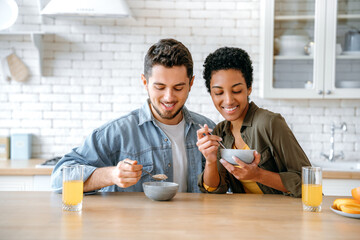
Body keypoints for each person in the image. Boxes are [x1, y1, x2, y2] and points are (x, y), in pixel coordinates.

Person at [51, 38, 215, 193]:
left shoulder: (208, 129)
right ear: (145, 82)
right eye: (160, 87)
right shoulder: (119, 132)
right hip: (135, 224)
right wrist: (112, 175)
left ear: (191, 84)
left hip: (191, 223)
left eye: (178, 88)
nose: (169, 97)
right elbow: (59, 178)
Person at [196, 47, 311, 198]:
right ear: (211, 93)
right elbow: (214, 190)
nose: (229, 100)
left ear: (249, 88)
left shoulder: (269, 123)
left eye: (236, 91)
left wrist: (258, 175)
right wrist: (210, 160)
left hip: (281, 217)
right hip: (245, 217)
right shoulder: (221, 131)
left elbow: (308, 183)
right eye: (218, 93)